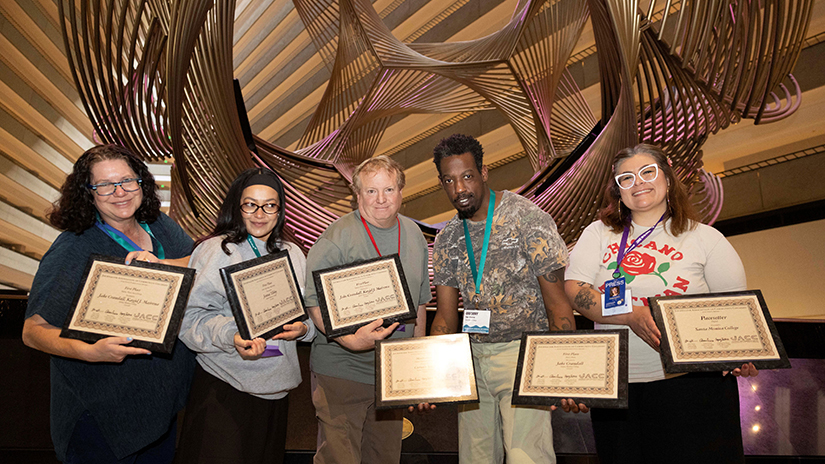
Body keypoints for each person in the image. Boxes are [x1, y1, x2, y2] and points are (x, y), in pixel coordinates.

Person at [564, 143, 757, 464]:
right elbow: (575, 289)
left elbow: (734, 310)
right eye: (626, 178)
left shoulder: (704, 238)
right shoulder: (598, 233)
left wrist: (743, 352)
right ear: (618, 190)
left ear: (667, 176)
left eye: (647, 172)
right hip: (617, 389)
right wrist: (630, 315)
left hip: (693, 387)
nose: (638, 182)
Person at [22, 144, 196, 464]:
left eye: (127, 181)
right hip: (102, 416)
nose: (119, 192)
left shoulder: (159, 225)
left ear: (142, 182)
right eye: (104, 185)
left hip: (159, 406)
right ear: (88, 193)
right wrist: (91, 352)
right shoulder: (74, 246)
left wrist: (165, 263)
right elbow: (33, 330)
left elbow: (197, 262)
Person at [429, 134, 579, 464]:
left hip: (523, 354)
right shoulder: (448, 237)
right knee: (475, 458)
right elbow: (444, 316)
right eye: (449, 181)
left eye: (467, 176)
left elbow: (558, 305)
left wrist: (565, 372)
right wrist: (429, 375)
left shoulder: (528, 219)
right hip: (471, 361)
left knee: (527, 457)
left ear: (483, 172)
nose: (459, 190)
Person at [175, 167, 315, 464]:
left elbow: (312, 315)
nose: (259, 213)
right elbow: (189, 318)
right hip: (225, 387)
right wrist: (231, 335)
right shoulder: (215, 251)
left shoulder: (294, 253)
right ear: (237, 207)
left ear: (280, 210)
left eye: (270, 205)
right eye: (250, 204)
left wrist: (303, 330)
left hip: (277, 387)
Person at [304, 155, 432, 464]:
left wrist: (415, 367)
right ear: (357, 195)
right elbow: (314, 303)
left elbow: (420, 304)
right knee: (340, 458)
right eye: (371, 191)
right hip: (343, 372)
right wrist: (351, 341)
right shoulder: (337, 239)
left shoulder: (414, 235)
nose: (381, 200)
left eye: (388, 189)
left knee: (385, 457)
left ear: (401, 191)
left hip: (390, 376)